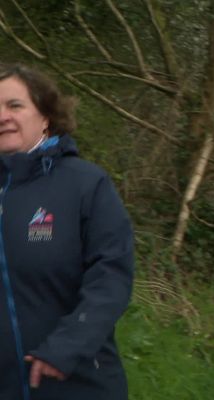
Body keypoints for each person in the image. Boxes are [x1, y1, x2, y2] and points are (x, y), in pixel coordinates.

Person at [0, 63, 134, 400]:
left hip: (76, 380)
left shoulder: (86, 185)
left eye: (15, 105)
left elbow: (111, 276)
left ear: (45, 116)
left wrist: (67, 346)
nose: (2, 116)